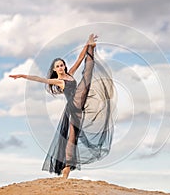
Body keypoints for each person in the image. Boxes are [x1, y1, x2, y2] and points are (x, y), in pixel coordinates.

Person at [9, 34, 115, 179]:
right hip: (73, 106)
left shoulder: (70, 74)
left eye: (62, 65)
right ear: (55, 69)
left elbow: (79, 59)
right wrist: (23, 76)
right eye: (57, 66)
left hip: (78, 107)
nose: (60, 67)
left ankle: (67, 168)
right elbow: (41, 79)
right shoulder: (58, 81)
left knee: (72, 138)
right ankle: (66, 168)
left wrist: (86, 44)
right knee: (72, 138)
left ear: (64, 66)